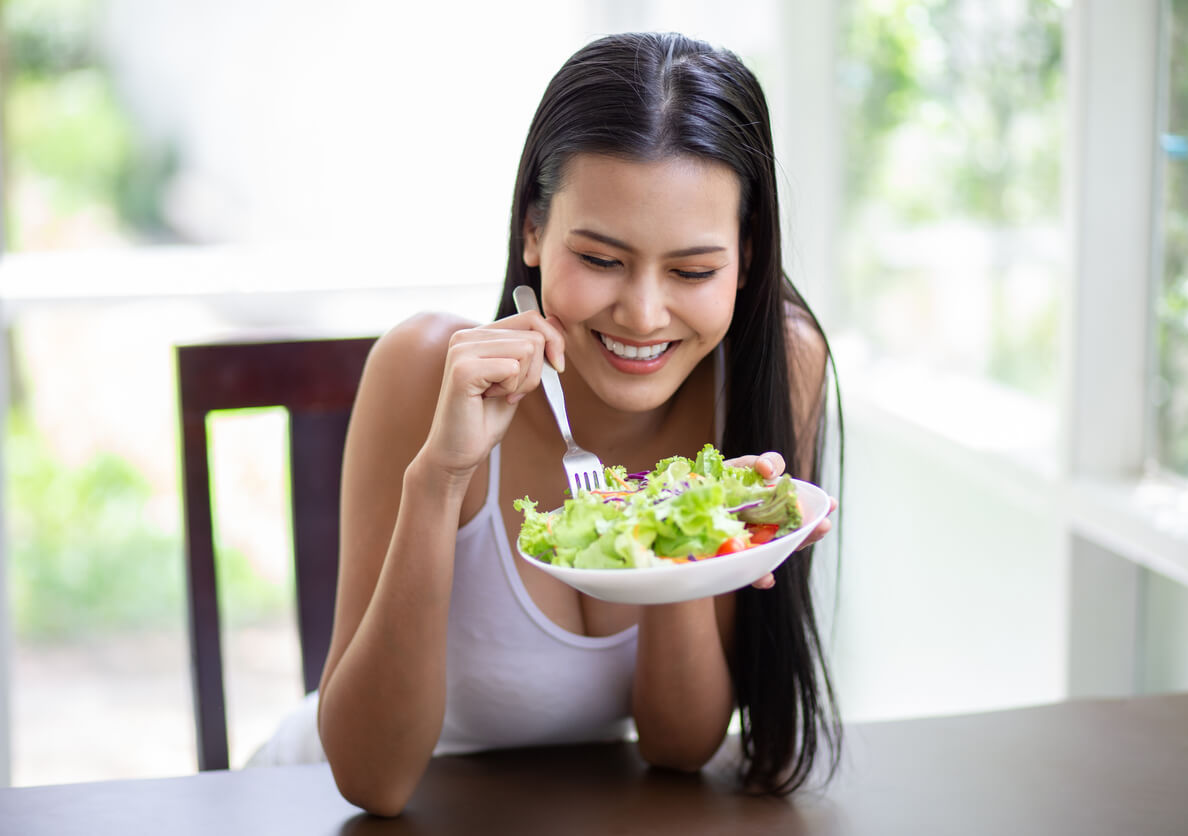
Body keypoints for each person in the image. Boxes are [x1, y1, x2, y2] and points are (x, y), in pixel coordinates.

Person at [255, 31, 844, 816]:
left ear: (746, 251)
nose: (642, 313)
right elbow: (371, 781)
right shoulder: (425, 367)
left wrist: (692, 541)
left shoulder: (775, 371)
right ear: (533, 228)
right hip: (308, 807)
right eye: (601, 259)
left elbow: (677, 747)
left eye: (694, 271)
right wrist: (441, 478)